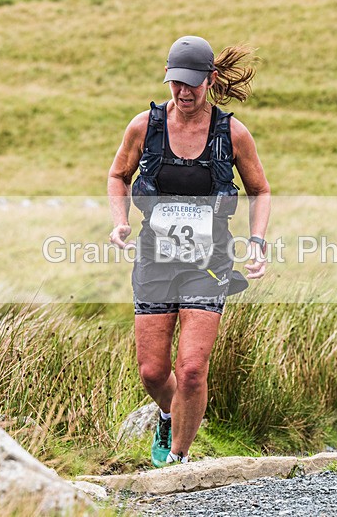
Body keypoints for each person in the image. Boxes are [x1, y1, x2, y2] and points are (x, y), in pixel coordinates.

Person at [108, 36, 270, 466]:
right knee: (153, 372)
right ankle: (169, 413)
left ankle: (178, 460)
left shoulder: (231, 133)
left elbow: (260, 190)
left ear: (210, 80)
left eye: (192, 84)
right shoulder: (144, 127)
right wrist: (120, 220)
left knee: (193, 370)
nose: (183, 92)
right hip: (155, 258)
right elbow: (118, 175)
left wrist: (257, 241)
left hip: (209, 262)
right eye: (176, 83)